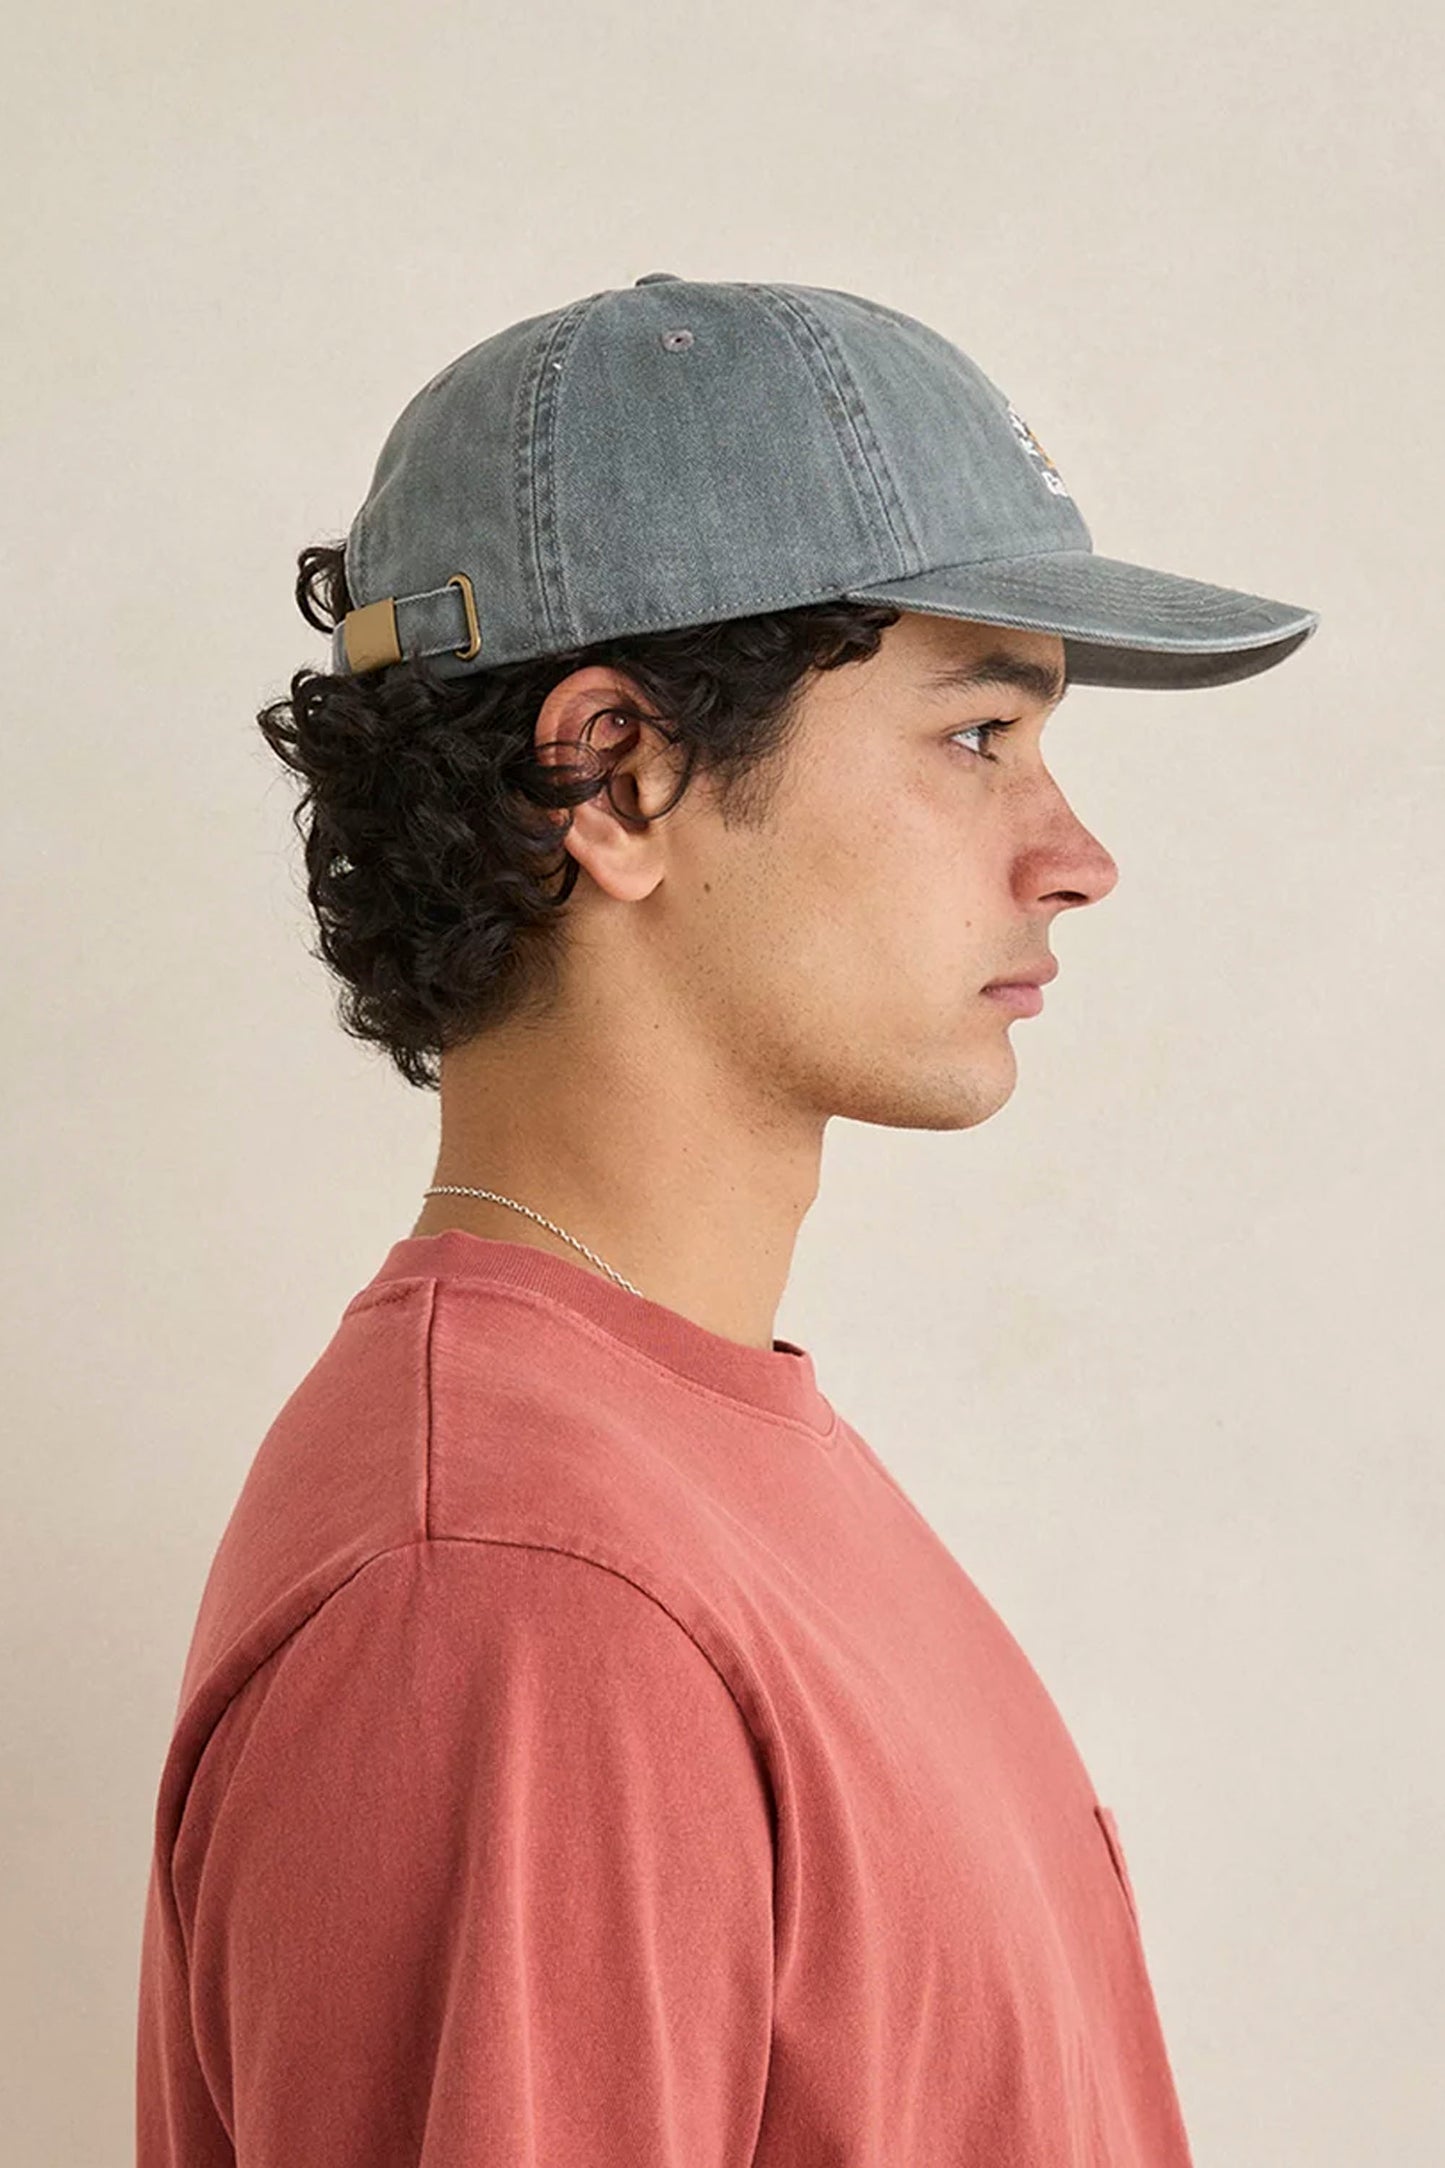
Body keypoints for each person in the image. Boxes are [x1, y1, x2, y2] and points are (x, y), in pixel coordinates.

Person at [135, 273, 1318, 2166]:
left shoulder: (672, 1472)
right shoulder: (522, 1600)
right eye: (977, 734)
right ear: (614, 773)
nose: (1076, 856)